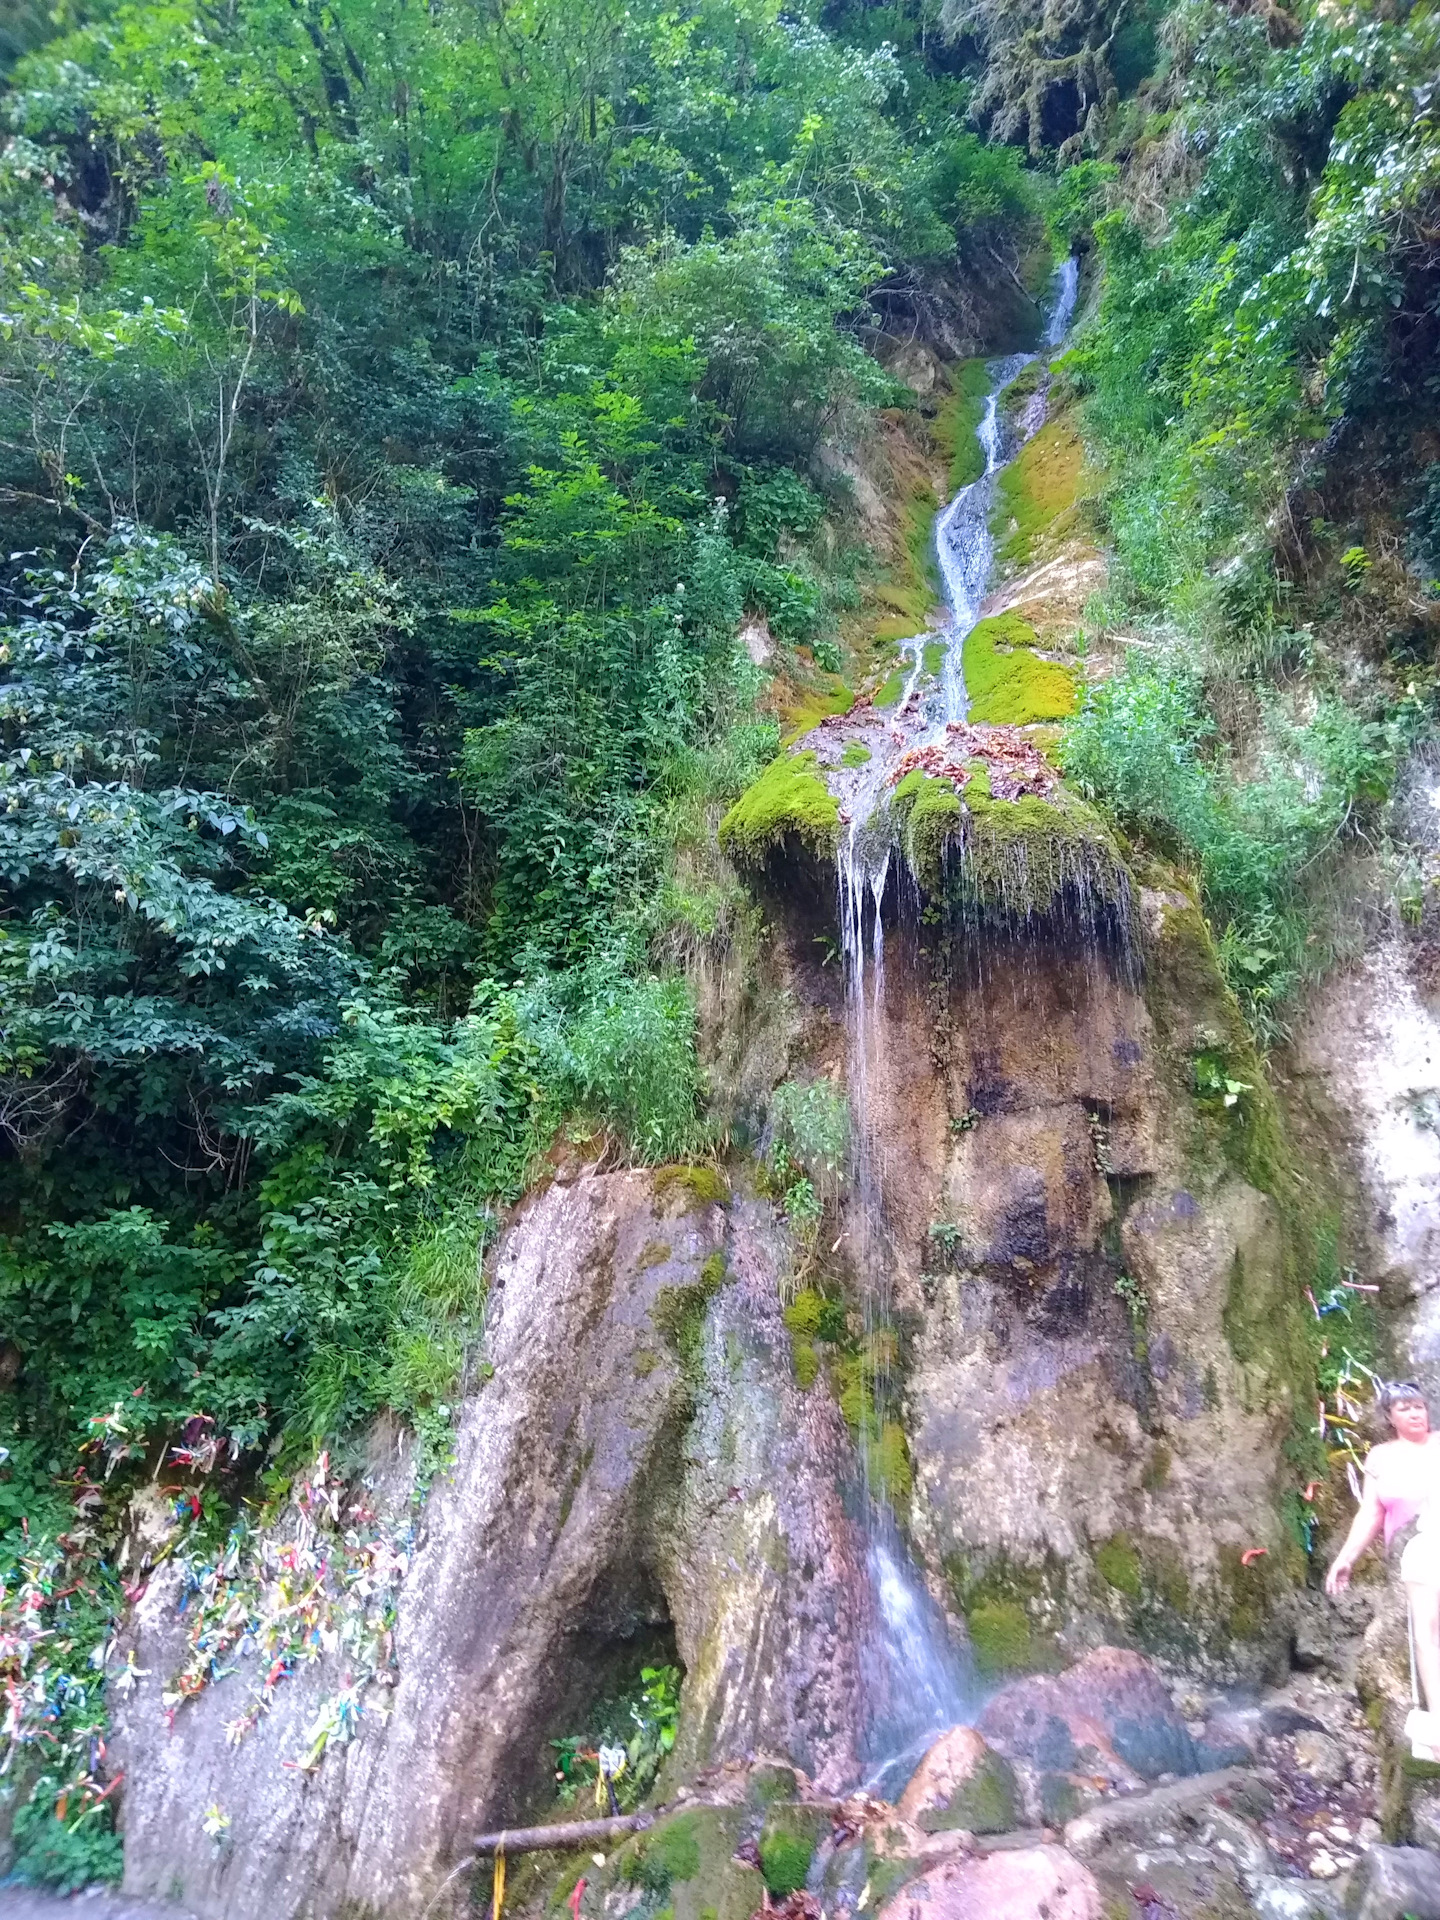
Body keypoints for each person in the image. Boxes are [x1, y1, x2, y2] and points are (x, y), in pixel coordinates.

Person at [1327, 1381, 1440, 1742]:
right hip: (1410, 1561)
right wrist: (1346, 1558)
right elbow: (1371, 1514)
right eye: (1404, 1407)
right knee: (1426, 1633)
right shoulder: (1380, 1457)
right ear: (1390, 1416)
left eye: (1419, 1405)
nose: (1414, 1412)